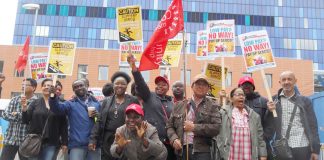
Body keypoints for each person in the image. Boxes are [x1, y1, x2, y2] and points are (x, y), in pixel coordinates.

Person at [127, 54, 175, 160]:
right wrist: (134, 67)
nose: (160, 86)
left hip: (168, 143)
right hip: (151, 141)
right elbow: (140, 83)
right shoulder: (149, 96)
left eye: (163, 84)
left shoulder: (171, 101)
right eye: (158, 84)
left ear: (168, 88)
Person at [264, 71, 320, 160]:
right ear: (280, 82)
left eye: (289, 79)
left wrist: (315, 150)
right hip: (281, 147)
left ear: (295, 81)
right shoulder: (273, 101)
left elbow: (313, 126)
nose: (286, 82)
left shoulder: (305, 101)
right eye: (284, 80)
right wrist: (269, 111)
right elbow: (267, 125)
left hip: (302, 145)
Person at [167, 74, 221, 160]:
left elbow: (216, 128)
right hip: (182, 150)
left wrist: (194, 127)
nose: (201, 87)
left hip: (202, 151)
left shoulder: (213, 106)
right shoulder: (179, 105)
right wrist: (174, 139)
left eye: (204, 85)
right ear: (192, 86)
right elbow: (169, 126)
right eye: (198, 84)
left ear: (208, 88)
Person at [89, 71, 139, 160]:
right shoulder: (106, 101)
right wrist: (93, 139)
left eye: (123, 84)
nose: (119, 86)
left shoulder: (133, 100)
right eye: (117, 84)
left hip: (126, 137)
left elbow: (139, 118)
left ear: (126, 86)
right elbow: (99, 120)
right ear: (113, 85)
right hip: (107, 139)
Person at [49, 80, 101, 160]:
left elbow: (100, 122)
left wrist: (97, 116)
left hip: (94, 144)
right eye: (76, 87)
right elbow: (57, 109)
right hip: (77, 145)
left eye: (81, 85)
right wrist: (52, 96)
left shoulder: (96, 103)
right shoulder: (70, 103)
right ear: (73, 90)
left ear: (86, 86)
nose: (79, 88)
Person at [22, 78, 68, 160]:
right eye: (44, 85)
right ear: (41, 88)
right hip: (34, 141)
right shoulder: (35, 102)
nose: (46, 87)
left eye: (49, 85)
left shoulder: (61, 104)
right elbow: (25, 120)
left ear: (54, 88)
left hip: (52, 142)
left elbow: (64, 125)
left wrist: (64, 143)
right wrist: (24, 108)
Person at [216, 87, 267, 160]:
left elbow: (260, 138)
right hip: (229, 156)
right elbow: (214, 117)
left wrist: (263, 155)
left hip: (248, 156)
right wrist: (220, 99)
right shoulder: (224, 112)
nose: (241, 97)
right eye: (238, 94)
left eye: (243, 95)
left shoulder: (254, 116)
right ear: (231, 99)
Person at [0, 78, 38, 160]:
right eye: (22, 85)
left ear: (33, 88)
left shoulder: (37, 102)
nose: (23, 86)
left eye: (26, 85)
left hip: (26, 141)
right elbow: (5, 114)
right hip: (10, 139)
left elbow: (32, 120)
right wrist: (22, 116)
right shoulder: (15, 99)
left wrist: (16, 114)